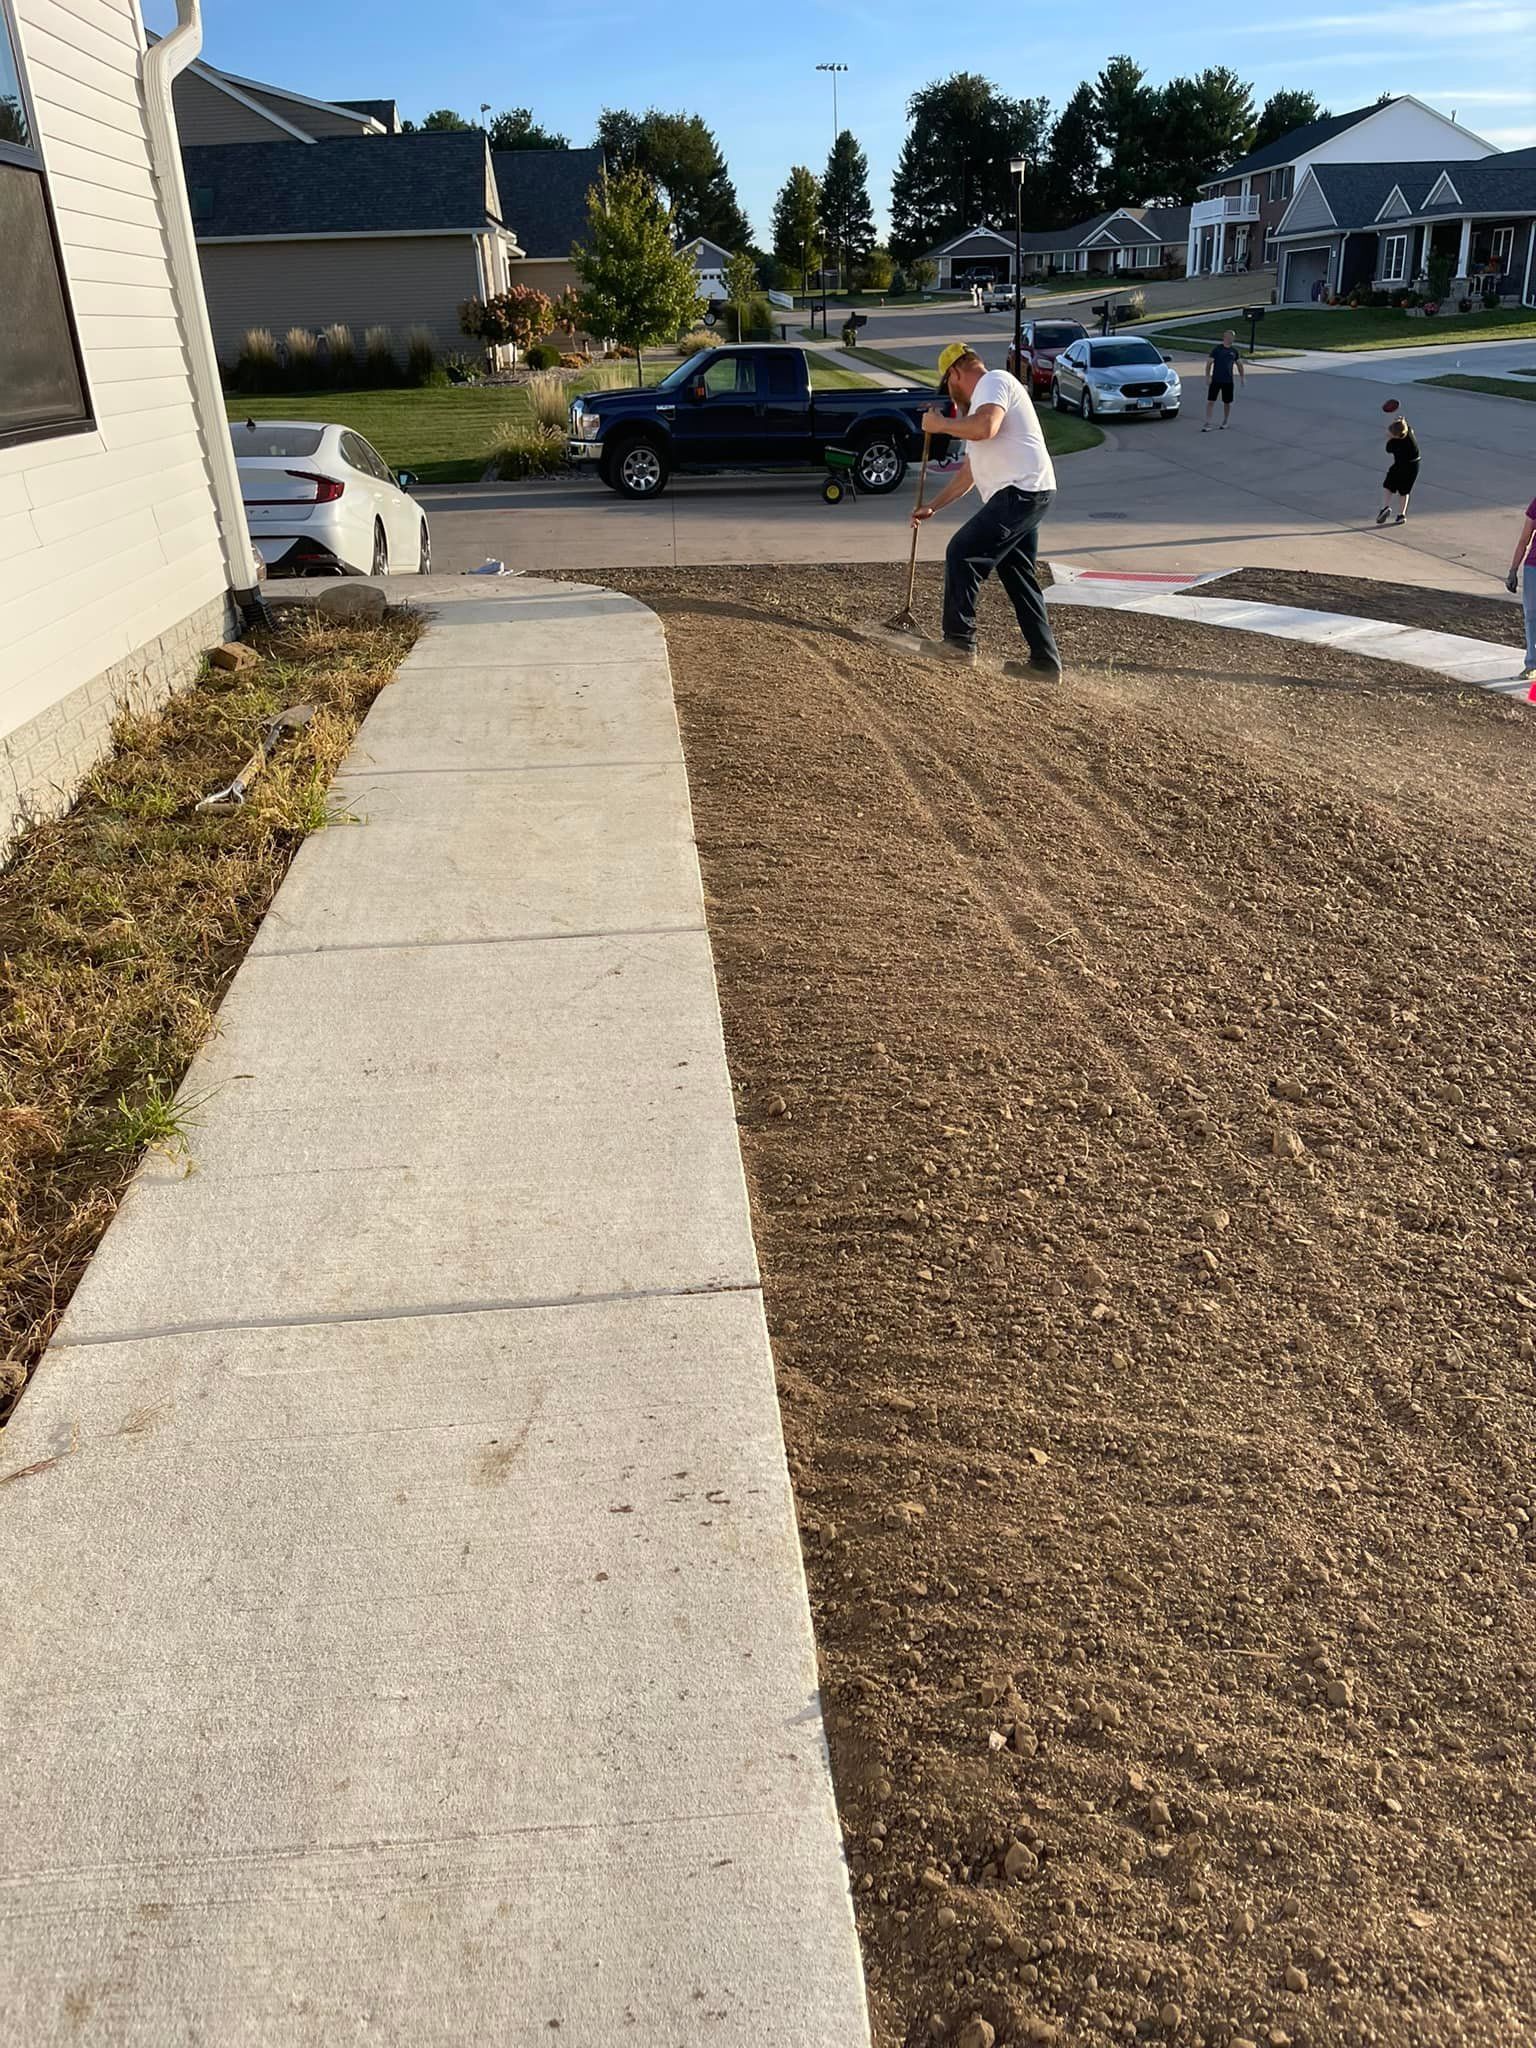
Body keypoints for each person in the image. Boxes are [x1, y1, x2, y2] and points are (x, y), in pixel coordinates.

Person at [911, 342, 1061, 678]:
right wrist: (933, 507)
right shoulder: (980, 403)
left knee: (962, 551)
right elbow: (968, 473)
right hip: (1027, 493)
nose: (951, 396)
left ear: (955, 373)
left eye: (947, 387)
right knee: (1019, 577)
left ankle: (959, 644)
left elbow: (986, 427)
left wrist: (940, 425)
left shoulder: (994, 381)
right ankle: (1045, 663)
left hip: (1019, 492)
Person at [1507, 493, 1536, 685]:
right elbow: (1524, 540)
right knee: (1532, 616)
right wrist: (1513, 569)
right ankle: (1532, 664)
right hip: (1534, 567)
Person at [1376, 417, 1420, 525]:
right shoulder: (1408, 432)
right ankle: (1401, 515)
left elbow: (1388, 449)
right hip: (1414, 466)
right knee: (1404, 491)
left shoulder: (1394, 444)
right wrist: (1400, 421)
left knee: (1388, 485)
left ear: (1395, 436)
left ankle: (1385, 507)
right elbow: (1405, 427)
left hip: (1401, 466)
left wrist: (1389, 438)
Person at [1202, 330, 1244, 432]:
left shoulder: (1234, 351)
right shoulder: (1217, 350)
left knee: (1227, 402)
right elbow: (1209, 363)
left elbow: (1239, 364)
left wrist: (1242, 377)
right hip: (1216, 379)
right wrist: (1208, 377)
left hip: (1228, 381)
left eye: (1233, 337)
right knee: (1211, 401)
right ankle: (1208, 423)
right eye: (1229, 337)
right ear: (1224, 337)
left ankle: (1225, 421)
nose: (1231, 339)